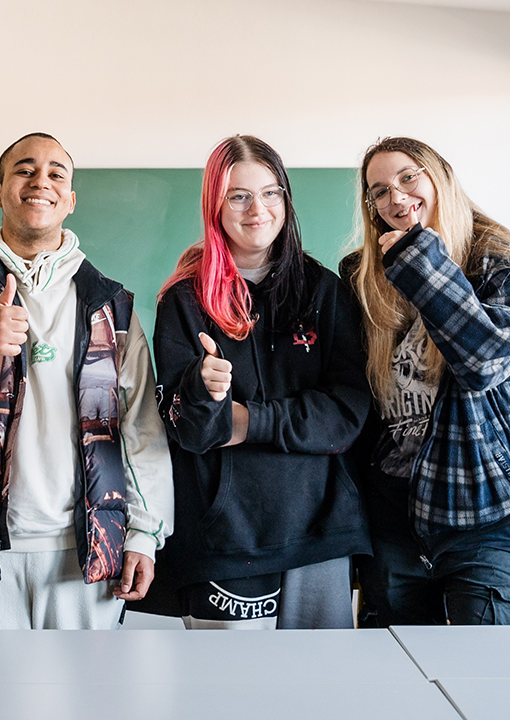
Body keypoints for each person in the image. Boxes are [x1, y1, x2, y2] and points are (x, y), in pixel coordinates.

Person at [0, 132, 173, 629]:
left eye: (56, 174)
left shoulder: (110, 304)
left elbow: (139, 430)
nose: (39, 182)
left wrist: (143, 533)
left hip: (86, 546)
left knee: (78, 704)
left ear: (70, 200)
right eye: (24, 170)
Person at [153, 135, 371, 629]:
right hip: (225, 538)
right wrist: (200, 391)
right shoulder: (184, 303)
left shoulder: (325, 291)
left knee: (319, 696)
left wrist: (247, 420)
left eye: (271, 192)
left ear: (286, 200)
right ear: (216, 205)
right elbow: (190, 432)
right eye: (239, 196)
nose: (258, 209)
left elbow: (345, 415)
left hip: (321, 532)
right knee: (230, 699)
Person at [342, 137, 510, 626]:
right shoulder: (363, 276)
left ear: (441, 177)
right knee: (401, 686)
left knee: (490, 683)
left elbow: (480, 363)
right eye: (379, 190)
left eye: (408, 177)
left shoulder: (503, 266)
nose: (396, 198)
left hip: (484, 511)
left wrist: (421, 262)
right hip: (392, 517)